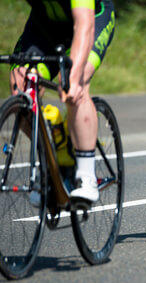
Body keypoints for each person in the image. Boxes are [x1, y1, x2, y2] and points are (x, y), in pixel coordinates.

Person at [11, 0, 116, 203]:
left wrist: (73, 77)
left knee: (74, 81)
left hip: (91, 17)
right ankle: (54, 152)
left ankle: (86, 177)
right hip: (45, 25)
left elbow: (84, 25)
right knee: (21, 88)